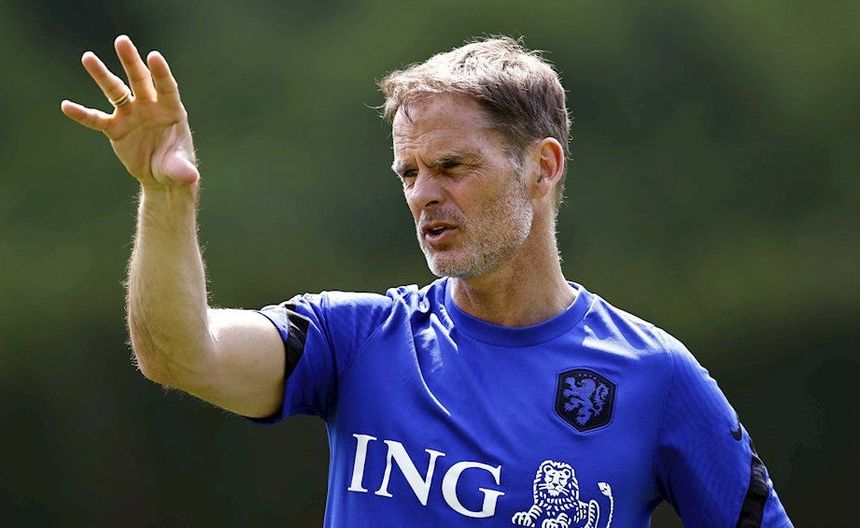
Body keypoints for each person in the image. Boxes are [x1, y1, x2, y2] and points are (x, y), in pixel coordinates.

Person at [61, 34, 793, 527]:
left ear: (542, 167)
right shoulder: (354, 339)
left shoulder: (654, 375)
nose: (423, 196)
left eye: (452, 167)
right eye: (408, 173)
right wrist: (165, 195)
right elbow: (178, 353)